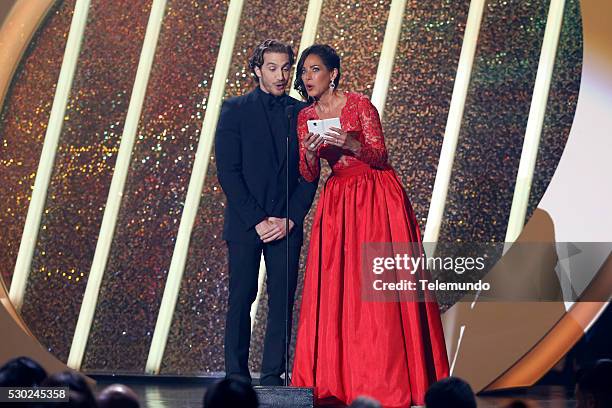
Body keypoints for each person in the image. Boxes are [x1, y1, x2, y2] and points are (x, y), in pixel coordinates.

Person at [290, 44, 449, 407]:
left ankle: (388, 377)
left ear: (333, 74)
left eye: (314, 70)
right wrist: (312, 153)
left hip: (376, 197)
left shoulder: (360, 105)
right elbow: (308, 172)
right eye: (304, 71)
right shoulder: (305, 117)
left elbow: (380, 155)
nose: (306, 77)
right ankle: (341, 378)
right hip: (338, 201)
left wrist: (350, 142)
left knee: (379, 291)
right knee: (340, 289)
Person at [215, 39, 318, 386]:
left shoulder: (303, 113)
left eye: (286, 68)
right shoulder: (234, 109)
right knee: (241, 297)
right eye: (272, 68)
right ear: (257, 69)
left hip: (287, 224)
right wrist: (258, 220)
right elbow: (228, 172)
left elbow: (310, 171)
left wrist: (290, 218)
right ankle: (236, 375)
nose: (281, 75)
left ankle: (273, 374)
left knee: (282, 302)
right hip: (247, 225)